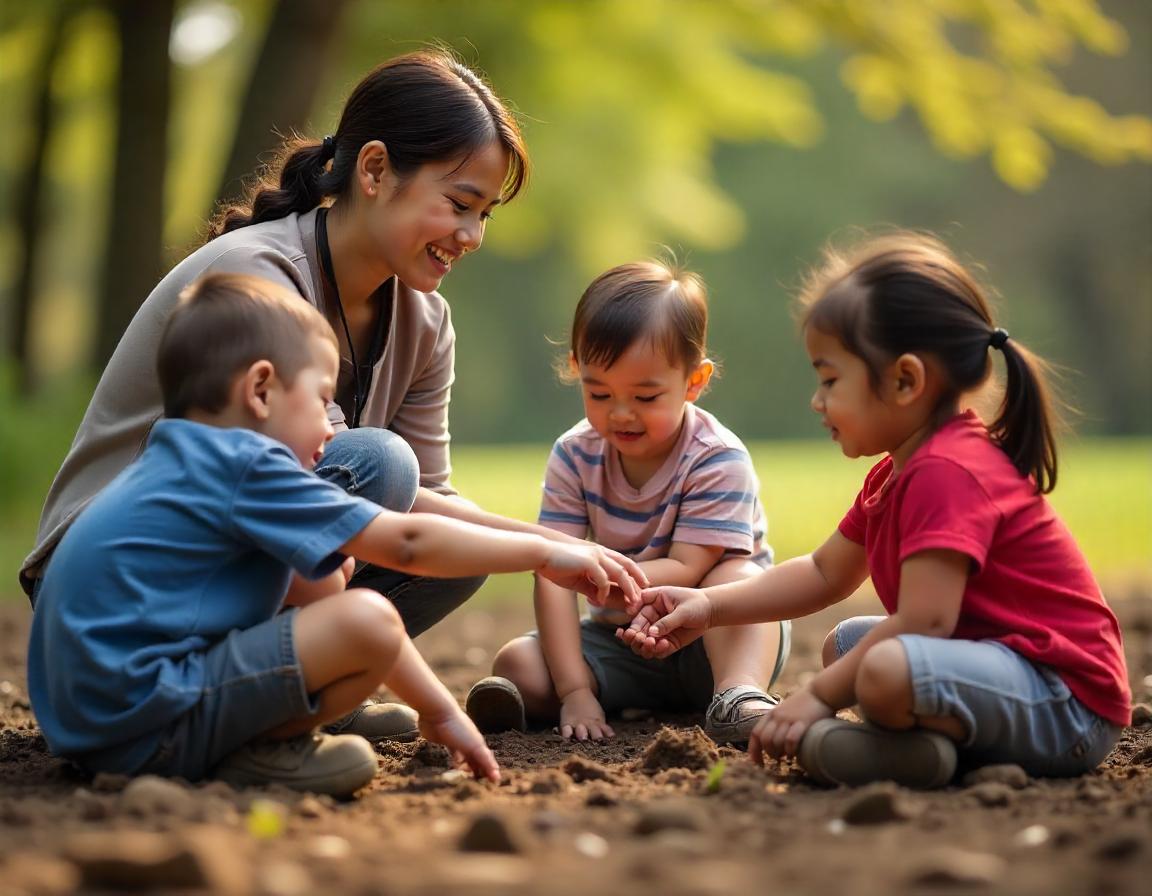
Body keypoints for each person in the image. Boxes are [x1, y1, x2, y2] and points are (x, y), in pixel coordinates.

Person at [21, 50, 605, 739]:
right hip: (120, 585)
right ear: (376, 170)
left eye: (485, 216)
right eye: (458, 205)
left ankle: (282, 689)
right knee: (381, 467)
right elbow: (377, 496)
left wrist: (568, 551)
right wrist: (547, 546)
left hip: (231, 554)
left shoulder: (425, 321)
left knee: (459, 552)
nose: (471, 236)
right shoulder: (259, 280)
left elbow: (433, 503)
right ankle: (262, 706)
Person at [27, 273, 644, 798]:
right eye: (322, 400)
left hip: (87, 726)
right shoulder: (247, 464)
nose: (331, 428)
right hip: (146, 723)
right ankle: (258, 751)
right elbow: (407, 545)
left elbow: (312, 585)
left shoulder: (174, 461)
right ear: (260, 389)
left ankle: (240, 741)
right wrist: (542, 552)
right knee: (367, 618)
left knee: (326, 582)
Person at [620, 233, 1130, 788]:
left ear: (905, 380)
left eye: (831, 379)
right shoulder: (898, 472)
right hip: (1002, 670)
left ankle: (917, 752)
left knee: (881, 667)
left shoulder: (948, 471)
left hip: (1064, 703)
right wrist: (707, 606)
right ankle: (922, 756)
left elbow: (925, 621)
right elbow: (823, 572)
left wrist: (814, 697)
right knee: (848, 644)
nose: (818, 400)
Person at [465, 260, 791, 744]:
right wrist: (573, 687)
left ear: (694, 382)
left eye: (645, 396)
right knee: (518, 663)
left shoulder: (716, 457)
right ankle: (574, 695)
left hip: (709, 637)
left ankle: (737, 695)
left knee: (738, 578)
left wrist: (592, 573)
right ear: (576, 368)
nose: (621, 414)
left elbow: (686, 567)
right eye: (599, 393)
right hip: (622, 643)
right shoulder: (574, 455)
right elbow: (554, 573)